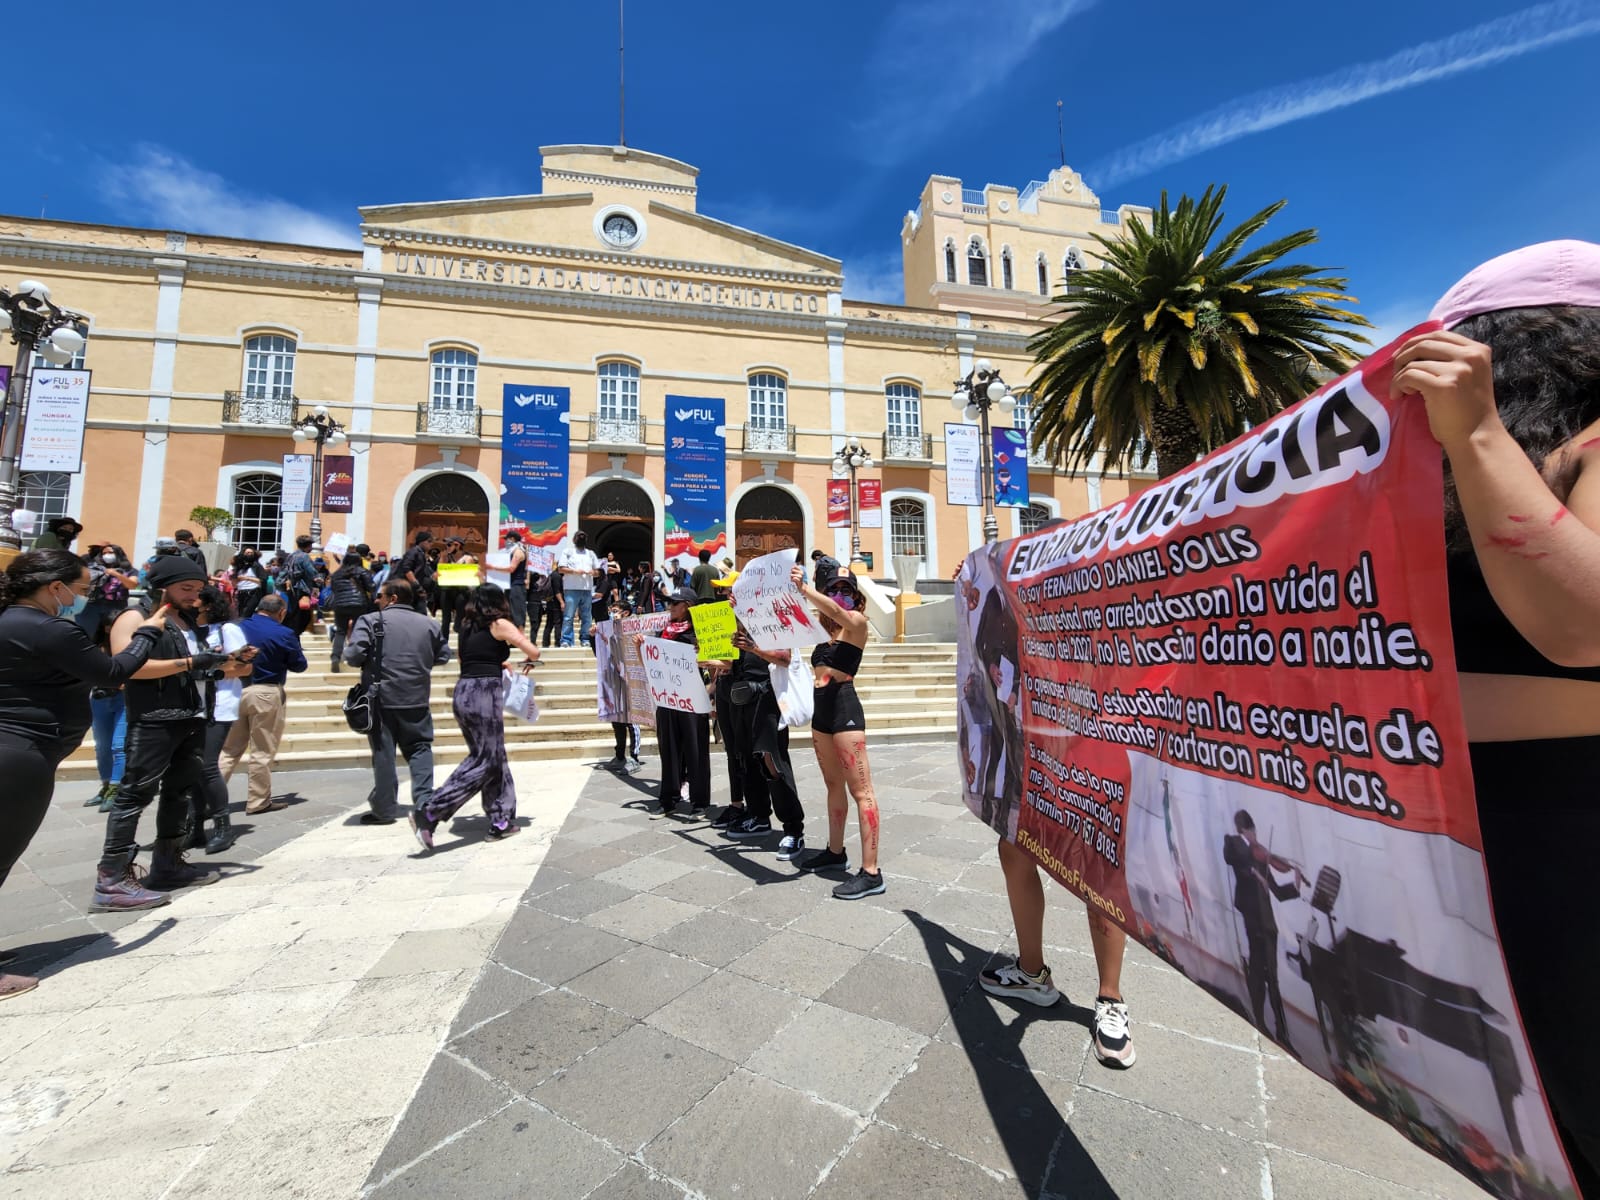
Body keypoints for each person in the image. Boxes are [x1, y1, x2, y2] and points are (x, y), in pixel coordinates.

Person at [1387, 240, 1600, 1191]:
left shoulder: (1581, 443)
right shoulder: (1436, 463)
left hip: (1570, 840)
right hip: (1466, 846)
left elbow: (1580, 625)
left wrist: (1477, 437)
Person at [0, 551, 176, 998]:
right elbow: (113, 671)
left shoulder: (10, 622)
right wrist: (146, 634)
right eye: (78, 591)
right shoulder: (45, 628)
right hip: (21, 754)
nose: (81, 599)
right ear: (52, 587)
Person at [94, 555, 248, 911]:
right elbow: (127, 667)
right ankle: (112, 877)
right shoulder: (135, 617)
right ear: (162, 586)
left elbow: (190, 671)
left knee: (179, 792)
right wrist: (192, 663)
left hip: (191, 714)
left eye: (197, 589)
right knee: (134, 794)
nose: (194, 596)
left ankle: (168, 861)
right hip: (153, 718)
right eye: (186, 589)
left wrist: (222, 666)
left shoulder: (187, 620)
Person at [410, 583, 540, 849]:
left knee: (494, 755)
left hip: (464, 691)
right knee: (487, 760)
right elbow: (533, 652)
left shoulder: (466, 626)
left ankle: (501, 819)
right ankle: (431, 811)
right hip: (484, 692)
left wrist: (497, 661)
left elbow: (466, 659)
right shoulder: (499, 623)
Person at [789, 567, 882, 899]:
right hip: (821, 712)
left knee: (862, 792)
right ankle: (835, 851)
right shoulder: (820, 631)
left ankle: (871, 872)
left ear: (855, 594)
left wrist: (804, 589)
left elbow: (838, 612)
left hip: (844, 710)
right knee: (833, 785)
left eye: (846, 587)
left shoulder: (856, 622)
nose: (840, 591)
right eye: (834, 587)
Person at [344, 580, 451, 825]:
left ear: (392, 598)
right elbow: (444, 655)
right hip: (416, 696)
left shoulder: (370, 621)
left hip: (381, 699)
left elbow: (352, 656)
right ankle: (425, 803)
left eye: (380, 595)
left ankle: (384, 809)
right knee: (421, 749)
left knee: (383, 753)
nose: (376, 600)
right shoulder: (429, 623)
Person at [721, 618, 807, 860]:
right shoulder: (736, 627)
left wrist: (753, 647)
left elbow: (785, 658)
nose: (729, 600)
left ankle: (793, 829)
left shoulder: (774, 622)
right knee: (747, 759)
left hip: (768, 700)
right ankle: (759, 816)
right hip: (743, 699)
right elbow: (731, 665)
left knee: (773, 762)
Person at [218, 592, 306, 817]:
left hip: (236, 689)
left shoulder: (236, 626)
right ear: (282, 612)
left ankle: (210, 801)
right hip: (266, 691)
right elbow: (299, 665)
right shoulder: (284, 632)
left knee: (228, 750)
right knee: (262, 750)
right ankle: (258, 801)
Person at [1222, 809, 1302, 1051]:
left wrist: (1296, 883)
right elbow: (1235, 859)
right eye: (1250, 830)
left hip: (1269, 924)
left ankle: (1282, 1033)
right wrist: (1257, 871)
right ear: (1243, 830)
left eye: (1254, 831)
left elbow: (1278, 892)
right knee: (1257, 973)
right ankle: (1259, 1023)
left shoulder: (1262, 857)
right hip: (1252, 917)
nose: (1254, 835)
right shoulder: (1234, 843)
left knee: (1273, 978)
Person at [187, 586, 251, 854]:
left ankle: (223, 826)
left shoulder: (227, 630)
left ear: (209, 604)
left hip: (219, 706)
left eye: (196, 598)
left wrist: (208, 672)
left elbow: (245, 666)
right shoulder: (187, 631)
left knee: (208, 766)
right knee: (194, 768)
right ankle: (195, 827)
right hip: (191, 706)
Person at [645, 587, 710, 817]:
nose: (670, 606)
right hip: (667, 698)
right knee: (669, 749)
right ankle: (668, 798)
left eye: (675, 603)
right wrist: (639, 646)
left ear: (688, 606)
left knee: (695, 750)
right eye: (669, 603)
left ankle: (700, 801)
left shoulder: (700, 632)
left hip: (692, 698)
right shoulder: (663, 631)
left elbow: (714, 662)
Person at [87, 617, 130, 811]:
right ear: (106, 627)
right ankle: (105, 786)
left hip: (124, 698)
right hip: (100, 698)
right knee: (102, 746)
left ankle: (115, 788)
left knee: (118, 746)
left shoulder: (130, 646)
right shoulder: (95, 648)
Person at [327, 545, 376, 672]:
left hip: (340, 605)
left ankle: (335, 657)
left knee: (340, 631)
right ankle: (356, 657)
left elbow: (333, 589)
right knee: (358, 630)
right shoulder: (362, 571)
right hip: (358, 604)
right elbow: (371, 587)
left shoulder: (337, 574)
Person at [80, 544, 137, 643]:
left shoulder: (130, 570)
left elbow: (132, 585)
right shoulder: (95, 567)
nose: (107, 555)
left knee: (115, 636)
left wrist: (116, 574)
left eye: (110, 553)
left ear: (118, 554)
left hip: (117, 606)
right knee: (85, 635)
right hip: (93, 605)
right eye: (104, 553)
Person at [558, 530, 601, 647]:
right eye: (578, 536)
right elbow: (561, 568)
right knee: (569, 615)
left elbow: (598, 571)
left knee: (587, 616)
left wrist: (593, 572)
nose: (580, 538)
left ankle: (585, 638)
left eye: (583, 537)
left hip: (586, 589)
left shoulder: (590, 553)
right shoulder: (567, 552)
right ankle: (566, 640)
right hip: (571, 588)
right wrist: (574, 571)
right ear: (574, 539)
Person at [280, 534, 320, 637]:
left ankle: (291, 637)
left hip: (290, 589)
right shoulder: (304, 556)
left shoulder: (291, 555)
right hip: (301, 590)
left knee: (292, 615)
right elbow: (312, 572)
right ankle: (293, 638)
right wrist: (319, 580)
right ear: (309, 545)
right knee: (303, 618)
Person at [438, 537, 476, 640]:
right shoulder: (445, 557)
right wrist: (442, 559)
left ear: (457, 545)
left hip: (461, 591)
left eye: (449, 545)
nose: (447, 548)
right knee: (445, 619)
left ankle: (462, 644)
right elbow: (439, 573)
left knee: (460, 618)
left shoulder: (467, 559)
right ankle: (443, 646)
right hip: (447, 590)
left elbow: (466, 574)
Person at [393, 531, 435, 614]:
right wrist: (417, 586)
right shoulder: (413, 552)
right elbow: (407, 570)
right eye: (429, 541)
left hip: (415, 590)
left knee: (420, 613)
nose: (431, 544)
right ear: (421, 541)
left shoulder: (421, 553)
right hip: (409, 589)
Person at [504, 530, 529, 630]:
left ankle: (520, 638)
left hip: (517, 586)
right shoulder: (511, 551)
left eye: (507, 539)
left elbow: (511, 568)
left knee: (517, 614)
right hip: (509, 585)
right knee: (508, 613)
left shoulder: (518, 552)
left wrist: (493, 567)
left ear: (512, 539)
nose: (505, 542)